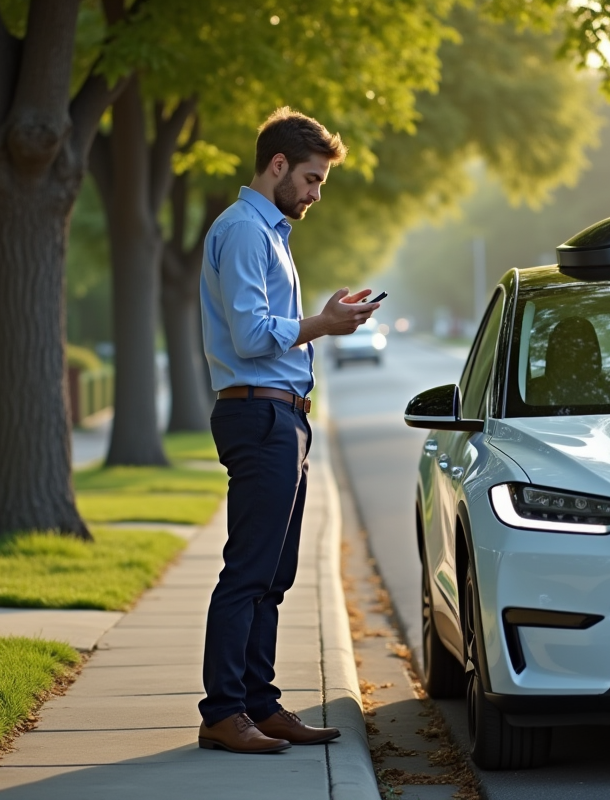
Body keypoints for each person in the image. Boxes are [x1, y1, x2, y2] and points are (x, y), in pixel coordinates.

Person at [196, 107, 379, 754]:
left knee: (273, 574)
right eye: (310, 178)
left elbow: (265, 327)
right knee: (249, 570)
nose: (315, 193)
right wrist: (322, 325)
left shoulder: (268, 233)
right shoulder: (246, 231)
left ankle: (258, 704)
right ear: (277, 166)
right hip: (258, 414)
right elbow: (250, 338)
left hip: (281, 415)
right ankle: (223, 711)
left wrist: (324, 320)